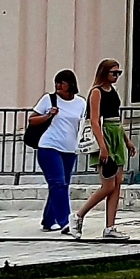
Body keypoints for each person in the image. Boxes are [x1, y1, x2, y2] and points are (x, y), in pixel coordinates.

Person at [73, 60, 134, 240]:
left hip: (115, 134)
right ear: (104, 73)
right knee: (108, 185)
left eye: (118, 73)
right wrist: (102, 146)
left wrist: (127, 140)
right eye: (113, 73)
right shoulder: (96, 92)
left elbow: (116, 118)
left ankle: (110, 226)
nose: (116, 76)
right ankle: (78, 215)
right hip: (105, 135)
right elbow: (94, 121)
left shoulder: (112, 91)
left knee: (117, 184)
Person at [32, 69, 83, 235]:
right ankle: (65, 221)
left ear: (71, 84)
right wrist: (48, 115)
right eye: (57, 82)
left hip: (69, 149)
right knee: (58, 183)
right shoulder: (49, 99)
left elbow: (83, 123)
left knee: (62, 185)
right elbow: (32, 119)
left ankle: (48, 220)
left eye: (62, 82)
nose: (58, 86)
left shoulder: (80, 103)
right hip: (49, 146)